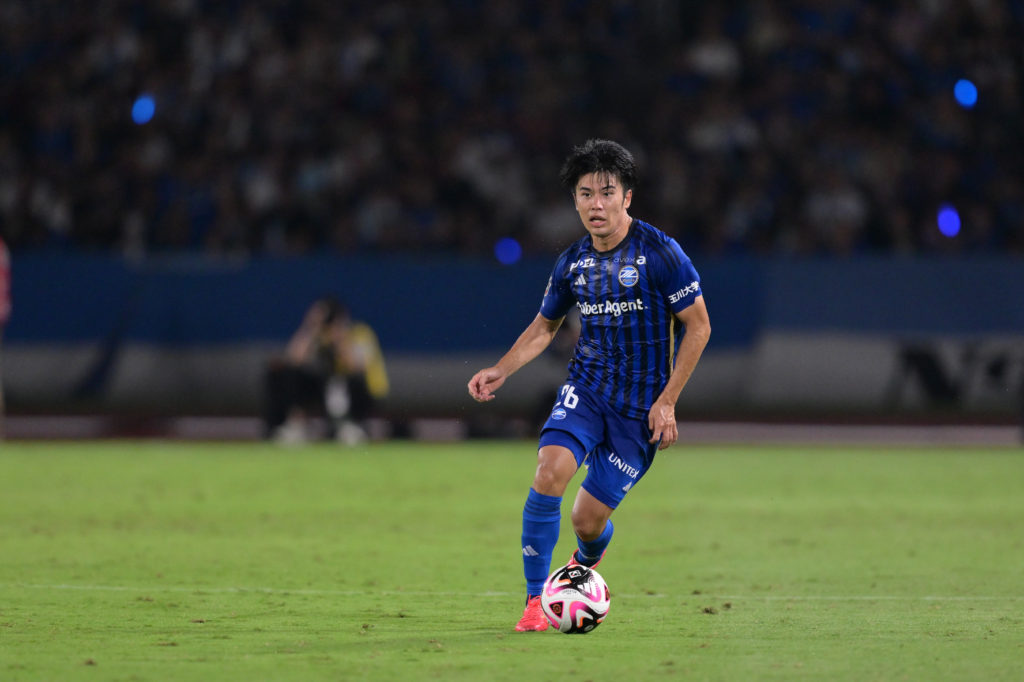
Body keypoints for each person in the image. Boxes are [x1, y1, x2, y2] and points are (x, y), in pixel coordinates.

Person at [467, 139, 711, 632]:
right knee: (548, 472)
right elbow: (545, 327)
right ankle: (535, 601)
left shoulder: (661, 253)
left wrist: (667, 402)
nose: (596, 204)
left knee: (587, 520)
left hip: (639, 409)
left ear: (627, 197)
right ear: (575, 201)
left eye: (607, 192)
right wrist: (502, 369)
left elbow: (698, 326)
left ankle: (583, 561)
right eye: (585, 194)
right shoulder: (572, 263)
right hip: (587, 390)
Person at [264, 296, 388, 444]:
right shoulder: (320, 336)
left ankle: (348, 426)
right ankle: (295, 425)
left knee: (342, 382)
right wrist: (311, 328)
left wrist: (340, 338)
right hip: (328, 390)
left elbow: (356, 367)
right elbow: (294, 359)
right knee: (287, 374)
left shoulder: (361, 332)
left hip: (363, 391)